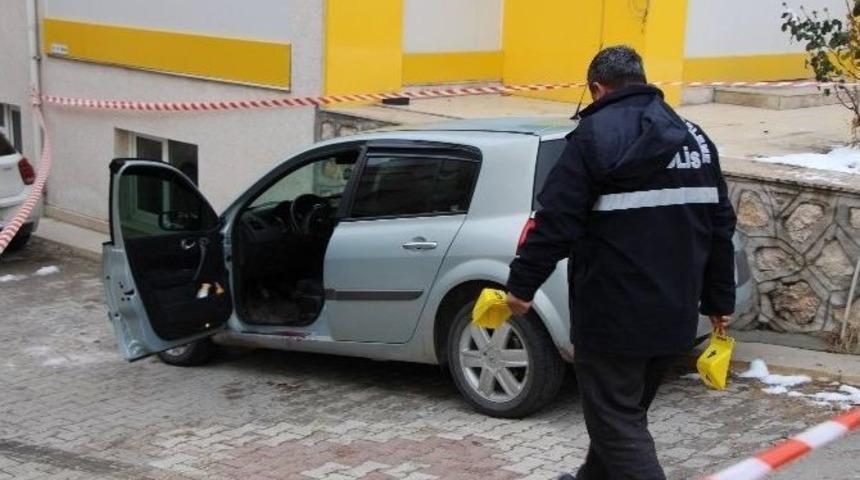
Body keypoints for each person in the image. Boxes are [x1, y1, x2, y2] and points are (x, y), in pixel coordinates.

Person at [505, 46, 736, 480]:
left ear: (597, 88)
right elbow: (720, 225)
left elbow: (556, 221)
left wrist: (521, 287)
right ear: (642, 79)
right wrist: (719, 300)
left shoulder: (594, 138)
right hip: (674, 317)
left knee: (617, 423)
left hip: (612, 318)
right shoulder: (696, 139)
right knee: (620, 419)